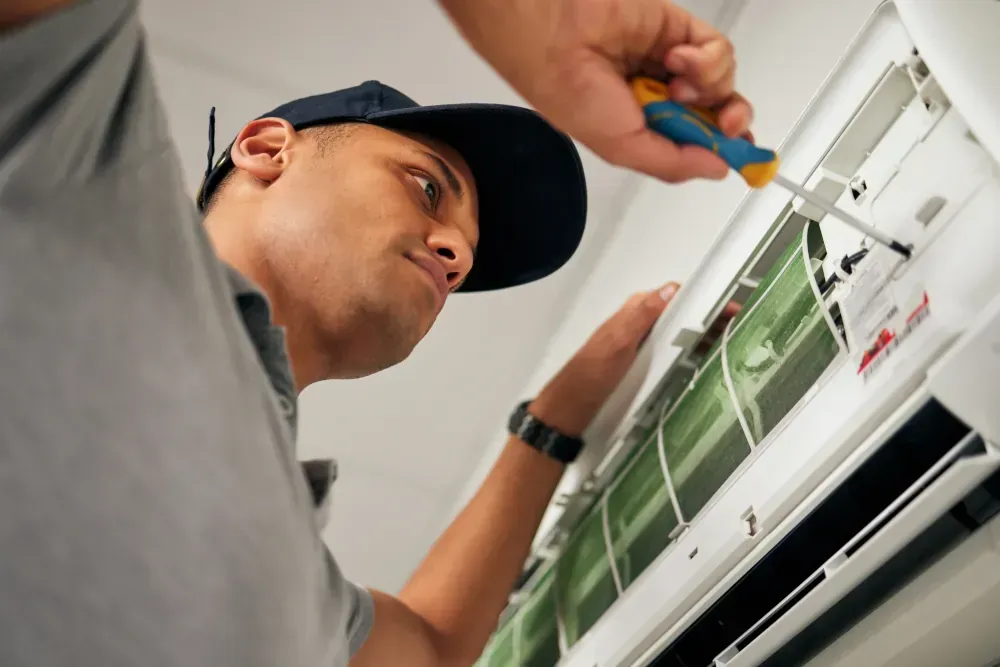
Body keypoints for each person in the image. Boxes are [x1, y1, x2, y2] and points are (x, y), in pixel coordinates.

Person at [0, 0, 751, 666]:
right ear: (266, 150)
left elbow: (430, 643)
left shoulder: (290, 572)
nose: (456, 253)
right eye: (427, 186)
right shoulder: (83, 199)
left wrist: (554, 419)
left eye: (466, 255)